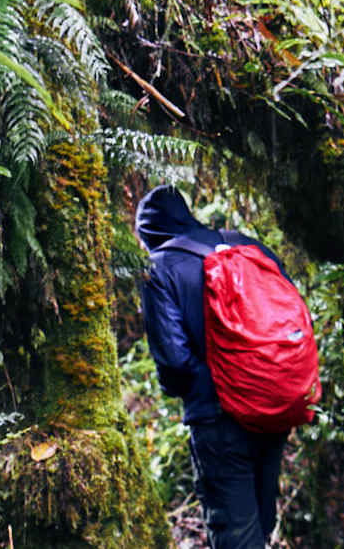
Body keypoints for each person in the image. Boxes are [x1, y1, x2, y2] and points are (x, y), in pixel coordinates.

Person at [134, 184, 291, 549]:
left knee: (235, 533)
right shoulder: (248, 245)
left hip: (218, 417)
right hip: (276, 401)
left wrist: (190, 387)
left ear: (150, 234)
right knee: (261, 517)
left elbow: (174, 362)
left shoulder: (161, 268)